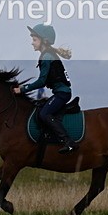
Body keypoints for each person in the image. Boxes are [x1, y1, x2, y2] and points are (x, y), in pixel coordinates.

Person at [12, 23, 77, 154]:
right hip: (61, 92)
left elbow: (42, 81)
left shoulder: (46, 57)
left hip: (62, 94)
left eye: (34, 40)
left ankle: (68, 142)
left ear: (44, 41)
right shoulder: (48, 54)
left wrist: (22, 89)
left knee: (44, 114)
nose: (32, 43)